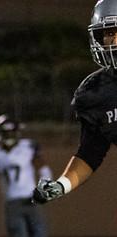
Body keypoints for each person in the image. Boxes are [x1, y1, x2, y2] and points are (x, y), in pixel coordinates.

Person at [33, 0, 117, 204]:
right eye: (107, 33)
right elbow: (90, 153)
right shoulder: (97, 93)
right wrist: (62, 185)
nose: (112, 40)